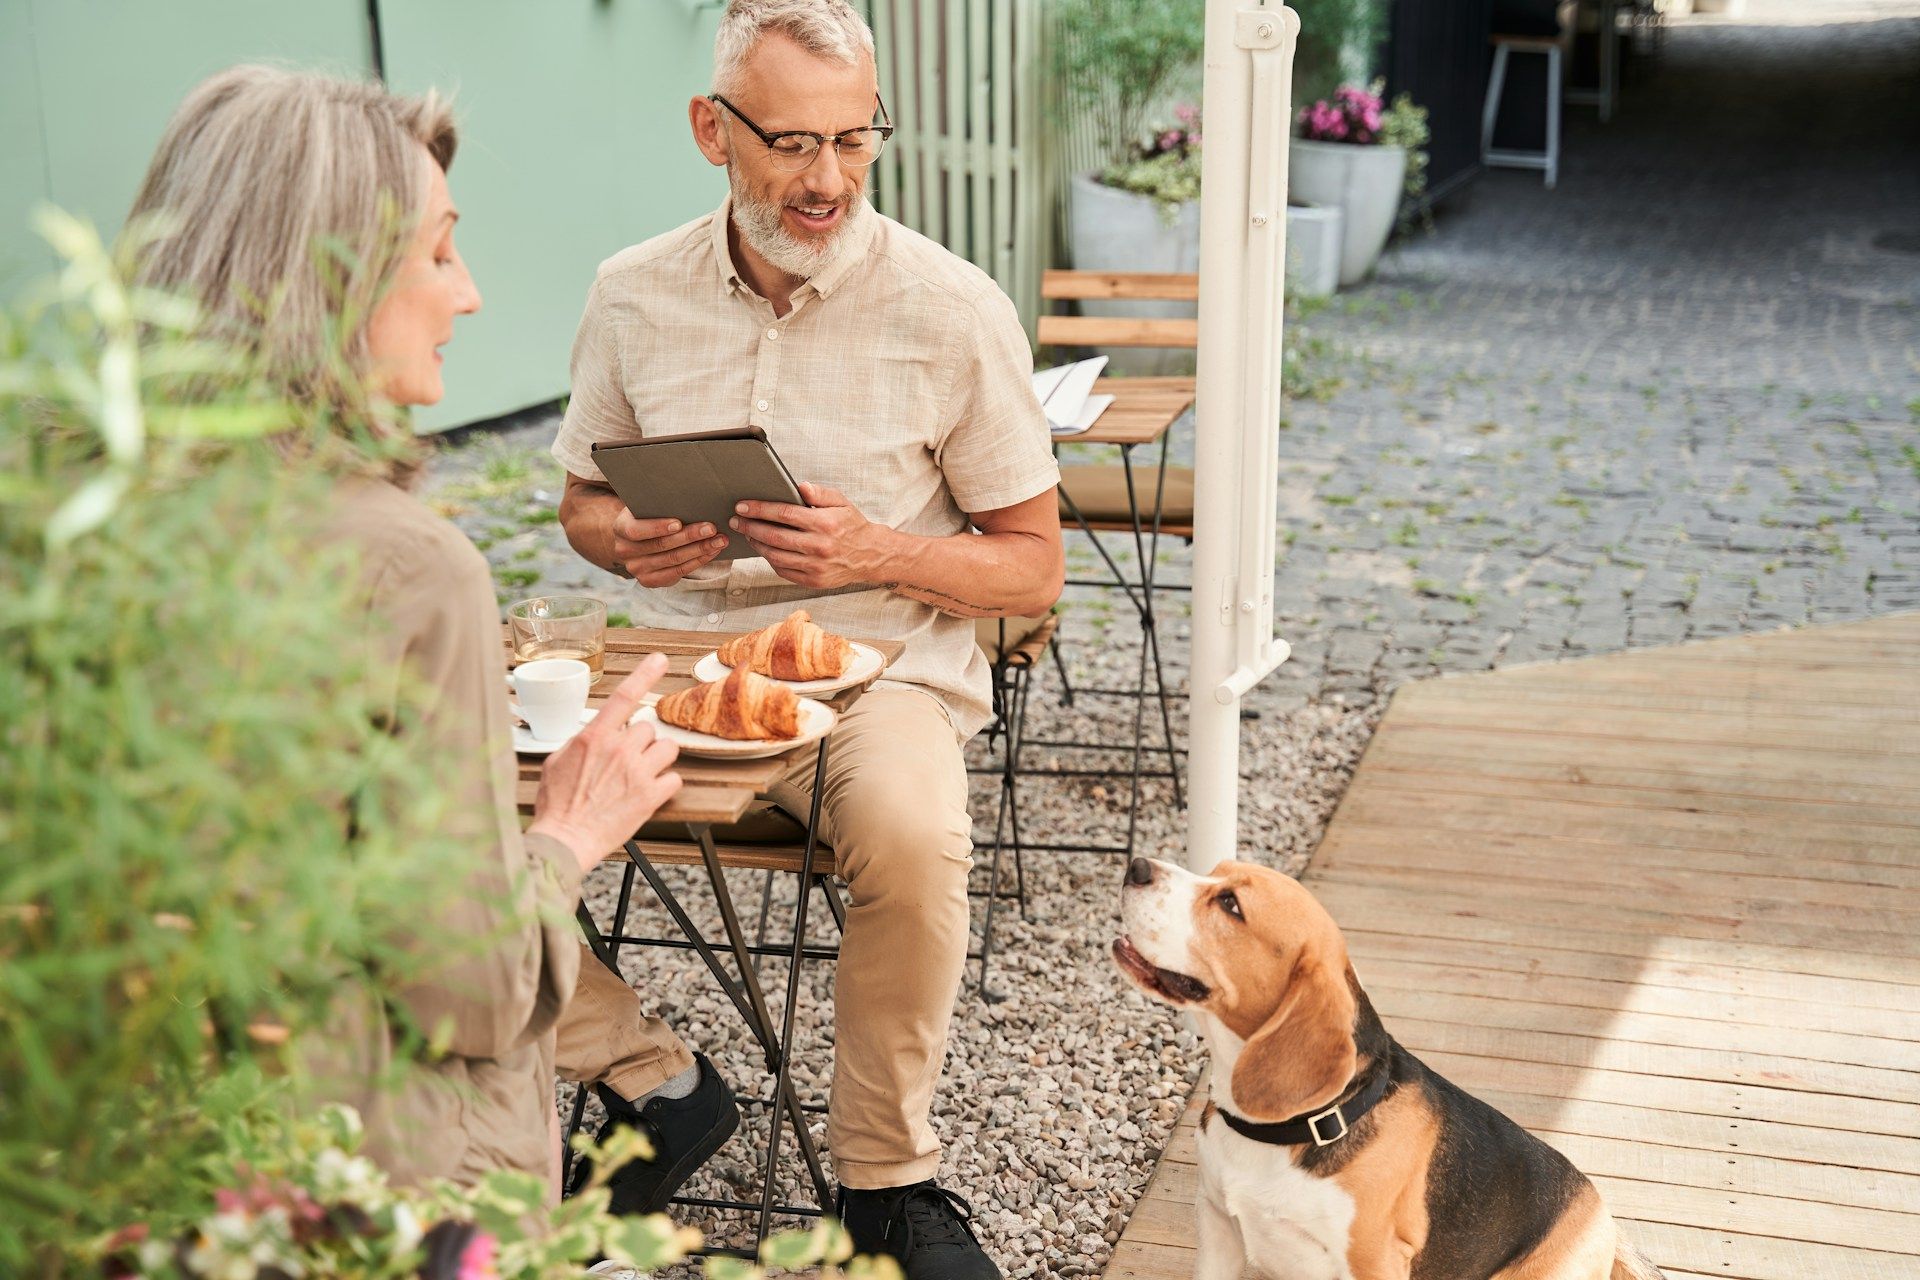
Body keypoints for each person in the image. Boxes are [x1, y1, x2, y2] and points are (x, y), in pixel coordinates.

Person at [123, 66, 708, 1198]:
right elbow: (473, 986)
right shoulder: (408, 567)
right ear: (325, 278)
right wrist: (573, 830)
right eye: (438, 252)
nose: (470, 293)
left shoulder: (88, 533)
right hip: (377, 1176)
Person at [549, 2, 1064, 1274]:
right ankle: (654, 1081)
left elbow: (1034, 571)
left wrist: (878, 551)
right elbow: (579, 505)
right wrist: (626, 543)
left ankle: (886, 1182)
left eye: (854, 139)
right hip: (674, 667)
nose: (827, 179)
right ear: (709, 130)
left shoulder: (954, 309)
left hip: (878, 663)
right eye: (790, 143)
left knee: (913, 828)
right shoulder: (630, 292)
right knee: (461, 808)